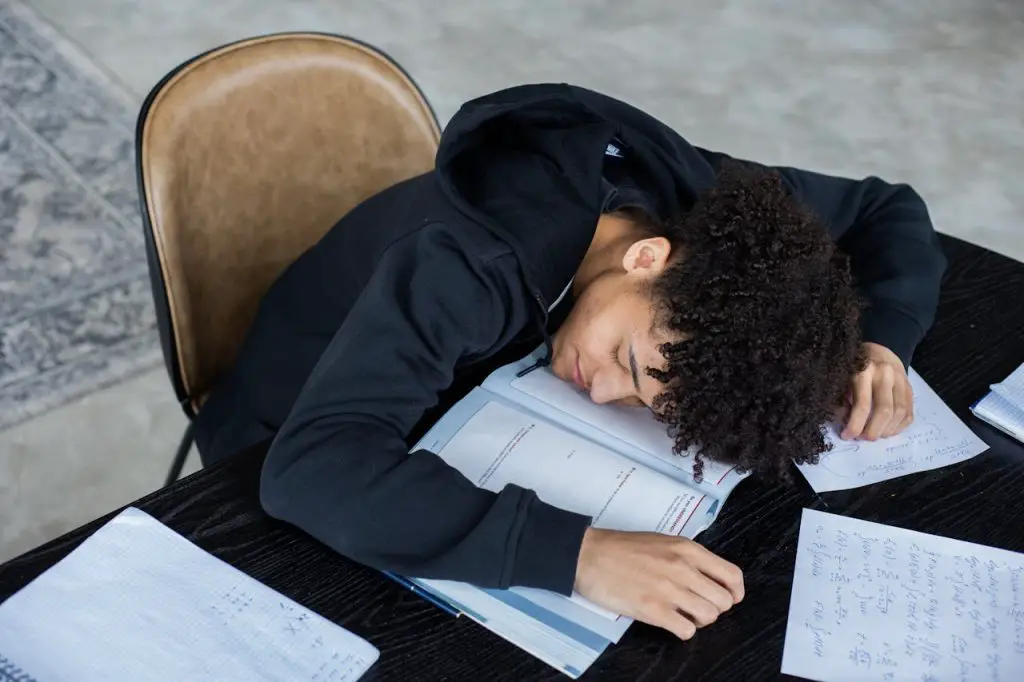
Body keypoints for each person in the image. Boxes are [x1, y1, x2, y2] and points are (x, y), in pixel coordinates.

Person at [192, 83, 945, 641]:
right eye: (631, 362)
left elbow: (886, 212)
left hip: (458, 404)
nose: (604, 391)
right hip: (278, 433)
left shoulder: (700, 215)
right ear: (648, 257)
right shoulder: (467, 263)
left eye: (649, 406)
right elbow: (312, 469)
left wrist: (880, 340)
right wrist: (579, 555)